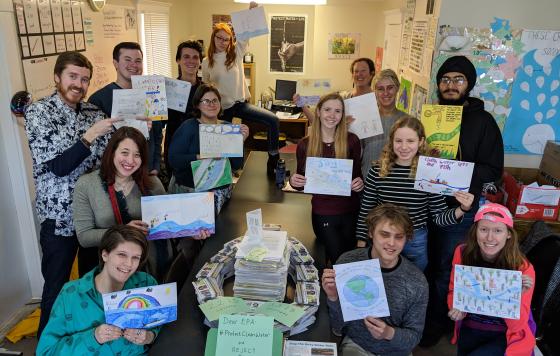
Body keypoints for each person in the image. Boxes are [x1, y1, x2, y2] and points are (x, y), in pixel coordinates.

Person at [24, 51, 118, 338]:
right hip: (59, 219)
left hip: (94, 216)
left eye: (85, 79)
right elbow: (60, 166)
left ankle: (88, 342)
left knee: (93, 285)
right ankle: (47, 347)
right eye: (73, 77)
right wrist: (90, 135)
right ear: (57, 77)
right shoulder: (38, 113)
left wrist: (134, 133)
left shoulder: (93, 112)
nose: (79, 84)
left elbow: (109, 162)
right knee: (57, 288)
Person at [423, 55, 504, 345]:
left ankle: (438, 324)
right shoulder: (430, 117)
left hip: (460, 209)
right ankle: (423, 317)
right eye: (445, 79)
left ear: (468, 84)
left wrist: (455, 170)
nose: (451, 85)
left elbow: (494, 169)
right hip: (427, 204)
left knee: (447, 268)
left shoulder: (483, 121)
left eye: (458, 80)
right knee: (425, 263)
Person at [355, 117, 474, 271]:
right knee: (381, 283)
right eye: (398, 141)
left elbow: (439, 218)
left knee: (412, 285)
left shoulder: (429, 174)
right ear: (391, 142)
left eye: (410, 141)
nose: (404, 147)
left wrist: (463, 208)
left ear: (421, 142)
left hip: (414, 240)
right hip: (383, 236)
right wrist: (360, 245)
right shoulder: (377, 171)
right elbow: (366, 210)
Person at [322, 204, 428, 356]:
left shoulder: (417, 281)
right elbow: (337, 328)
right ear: (371, 233)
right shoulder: (348, 263)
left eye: (399, 236)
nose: (391, 243)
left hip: (396, 351)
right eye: (384, 234)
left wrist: (388, 333)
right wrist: (333, 297)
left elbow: (414, 337)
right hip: (357, 344)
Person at [36, 225, 160, 355]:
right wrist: (94, 337)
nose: (129, 264)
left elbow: (161, 324)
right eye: (122, 255)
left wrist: (149, 336)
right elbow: (46, 352)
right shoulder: (70, 295)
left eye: (135, 258)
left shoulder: (146, 283)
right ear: (105, 254)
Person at [73, 127, 166, 278]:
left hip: (150, 269)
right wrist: (122, 232)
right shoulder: (87, 184)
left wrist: (193, 231)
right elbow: (84, 237)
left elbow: (170, 224)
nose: (130, 160)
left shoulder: (152, 183)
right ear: (112, 152)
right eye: (124, 153)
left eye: (137, 155)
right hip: (108, 272)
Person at [201, 3, 281, 177]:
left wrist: (251, 12)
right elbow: (205, 88)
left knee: (273, 120)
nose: (222, 42)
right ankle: (227, 175)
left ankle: (273, 161)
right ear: (213, 38)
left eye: (226, 39)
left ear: (230, 40)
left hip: (241, 104)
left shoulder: (235, 53)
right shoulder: (207, 62)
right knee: (229, 149)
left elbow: (246, 34)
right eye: (219, 38)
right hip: (223, 110)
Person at [447, 203, 535, 355]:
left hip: (505, 335)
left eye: (498, 231)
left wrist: (515, 297)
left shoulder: (522, 267)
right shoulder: (462, 252)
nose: (489, 237)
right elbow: (454, 290)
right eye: (484, 229)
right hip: (471, 326)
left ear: (508, 234)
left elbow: (516, 327)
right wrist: (456, 308)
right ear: (475, 231)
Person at [289, 93, 364, 265]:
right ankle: (333, 287)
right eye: (327, 110)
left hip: (350, 211)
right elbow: (301, 183)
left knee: (350, 255)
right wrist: (295, 182)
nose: (332, 115)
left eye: (338, 111)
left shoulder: (352, 141)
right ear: (318, 112)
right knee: (340, 261)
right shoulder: (306, 145)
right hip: (324, 212)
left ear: (342, 115)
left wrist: (359, 184)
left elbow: (357, 177)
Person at [168, 83, 249, 214]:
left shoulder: (228, 128)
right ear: (197, 105)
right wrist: (199, 157)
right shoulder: (189, 127)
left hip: (222, 192)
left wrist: (240, 142)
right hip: (192, 194)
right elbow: (174, 160)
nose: (211, 104)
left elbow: (236, 165)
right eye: (206, 101)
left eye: (215, 100)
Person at [88, 42, 162, 176]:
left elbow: (157, 134)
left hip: (147, 173)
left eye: (138, 61)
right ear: (115, 63)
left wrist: (155, 165)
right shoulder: (98, 99)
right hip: (117, 175)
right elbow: (96, 143)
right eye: (127, 60)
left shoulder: (151, 94)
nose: (134, 65)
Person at [164, 40, 205, 176]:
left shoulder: (207, 91)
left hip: (201, 150)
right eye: (186, 57)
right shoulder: (168, 90)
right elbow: (159, 123)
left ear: (200, 62)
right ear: (178, 60)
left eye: (195, 57)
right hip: (176, 151)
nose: (191, 61)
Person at [363, 69, 409, 178]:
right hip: (366, 183)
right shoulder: (364, 119)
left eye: (390, 88)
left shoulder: (407, 121)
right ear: (374, 91)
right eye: (380, 89)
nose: (386, 93)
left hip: (395, 185)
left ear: (397, 88)